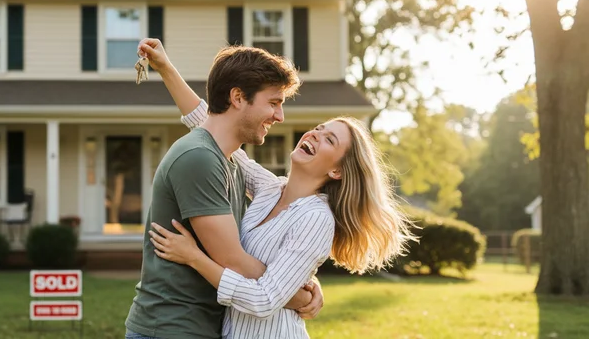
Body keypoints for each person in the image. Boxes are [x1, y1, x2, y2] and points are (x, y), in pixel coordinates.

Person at [142, 38, 418, 338]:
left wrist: (195, 257)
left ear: (337, 170)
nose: (315, 134)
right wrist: (166, 68)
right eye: (320, 129)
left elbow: (264, 298)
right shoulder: (269, 189)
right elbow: (210, 124)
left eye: (329, 140)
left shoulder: (316, 218)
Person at [124, 39, 324, 339]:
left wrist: (165, 68)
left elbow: (199, 115)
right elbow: (233, 261)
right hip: (169, 328)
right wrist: (298, 297)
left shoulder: (229, 162)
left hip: (198, 327)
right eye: (273, 103)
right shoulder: (200, 158)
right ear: (238, 97)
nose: (280, 117)